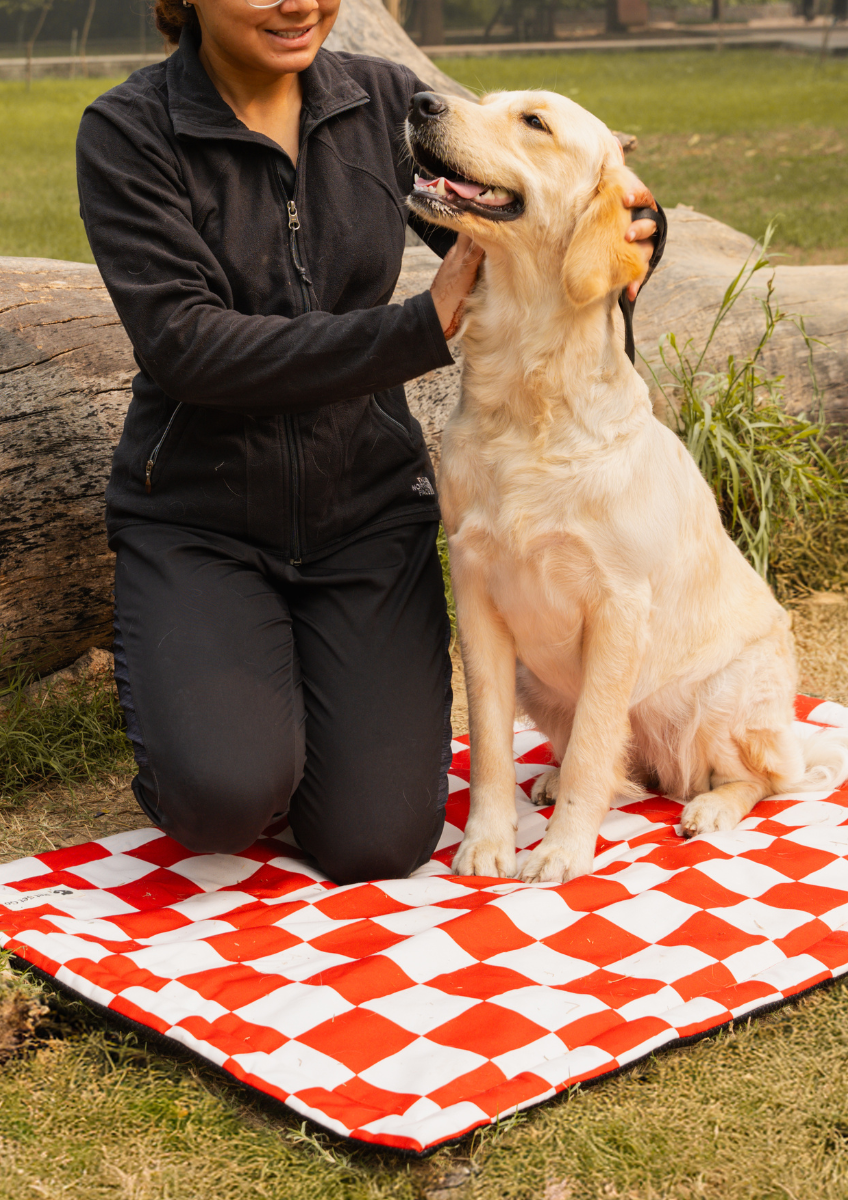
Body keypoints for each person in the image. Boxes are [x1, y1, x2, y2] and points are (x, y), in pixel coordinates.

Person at [75, 0, 661, 884]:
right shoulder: (128, 133)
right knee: (227, 797)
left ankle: (298, 734)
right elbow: (190, 347)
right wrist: (413, 329)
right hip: (202, 521)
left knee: (378, 840)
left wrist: (634, 220)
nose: (296, 2)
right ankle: (224, 745)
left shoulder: (381, 102)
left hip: (365, 519)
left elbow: (524, 180)